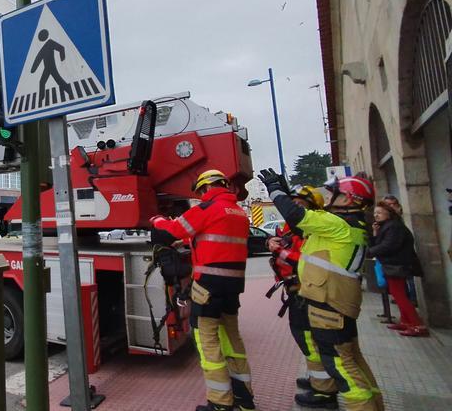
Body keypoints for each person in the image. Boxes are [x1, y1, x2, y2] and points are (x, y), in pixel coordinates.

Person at [259, 169, 383, 411]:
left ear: (348, 199)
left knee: (342, 367)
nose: (329, 198)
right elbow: (299, 228)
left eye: (335, 194)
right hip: (338, 302)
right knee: (353, 361)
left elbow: (296, 217)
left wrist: (275, 191)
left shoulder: (338, 224)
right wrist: (285, 194)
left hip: (330, 305)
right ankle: (376, 404)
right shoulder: (350, 225)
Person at [151, 169, 254, 411]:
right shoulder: (239, 212)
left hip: (208, 286)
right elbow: (215, 238)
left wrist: (157, 220)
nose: (200, 196)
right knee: (232, 341)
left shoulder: (207, 209)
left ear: (206, 188)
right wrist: (188, 241)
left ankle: (220, 403)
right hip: (232, 288)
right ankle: (244, 400)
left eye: (200, 192)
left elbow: (173, 229)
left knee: (208, 342)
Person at [267, 185, 339, 406]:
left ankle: (324, 392)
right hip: (296, 291)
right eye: (292, 203)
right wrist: (270, 244)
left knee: (310, 340)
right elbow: (282, 244)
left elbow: (305, 261)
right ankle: (318, 380)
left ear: (312, 207)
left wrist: (281, 252)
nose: (294, 208)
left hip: (305, 291)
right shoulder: (292, 228)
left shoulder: (315, 229)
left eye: (300, 204)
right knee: (307, 340)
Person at [369, 202, 426, 336]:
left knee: (400, 295)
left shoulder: (394, 227)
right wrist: (375, 233)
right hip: (392, 265)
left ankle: (417, 324)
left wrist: (369, 252)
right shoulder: (387, 226)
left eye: (380, 213)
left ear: (389, 213)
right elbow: (380, 244)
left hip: (397, 265)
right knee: (398, 294)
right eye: (375, 213)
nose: (376, 215)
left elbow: (389, 246)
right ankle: (406, 321)